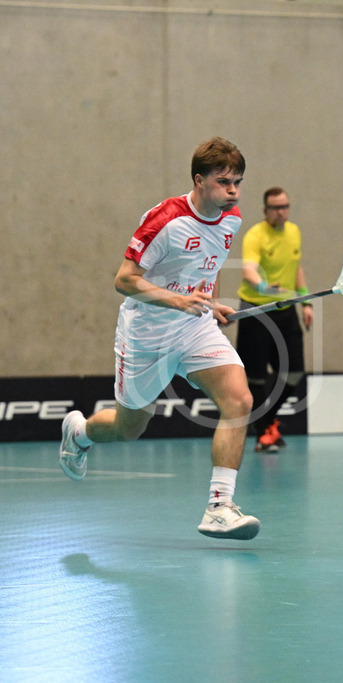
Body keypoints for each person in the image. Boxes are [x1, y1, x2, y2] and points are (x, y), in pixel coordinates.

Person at [58, 137, 260, 540]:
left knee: (239, 399)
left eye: (237, 181)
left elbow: (209, 263)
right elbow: (124, 280)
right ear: (199, 180)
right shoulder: (164, 220)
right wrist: (177, 299)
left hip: (193, 325)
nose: (233, 191)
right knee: (129, 427)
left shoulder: (231, 217)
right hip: (146, 333)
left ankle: (219, 507)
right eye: (224, 182)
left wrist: (209, 302)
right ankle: (79, 434)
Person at [235, 187, 314, 452]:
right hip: (256, 311)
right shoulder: (255, 235)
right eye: (275, 208)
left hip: (286, 309)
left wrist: (306, 302)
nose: (281, 212)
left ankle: (268, 421)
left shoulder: (294, 232)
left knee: (294, 372)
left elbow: (297, 268)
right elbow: (249, 272)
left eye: (285, 206)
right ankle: (263, 434)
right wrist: (266, 289)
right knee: (255, 379)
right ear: (265, 210)